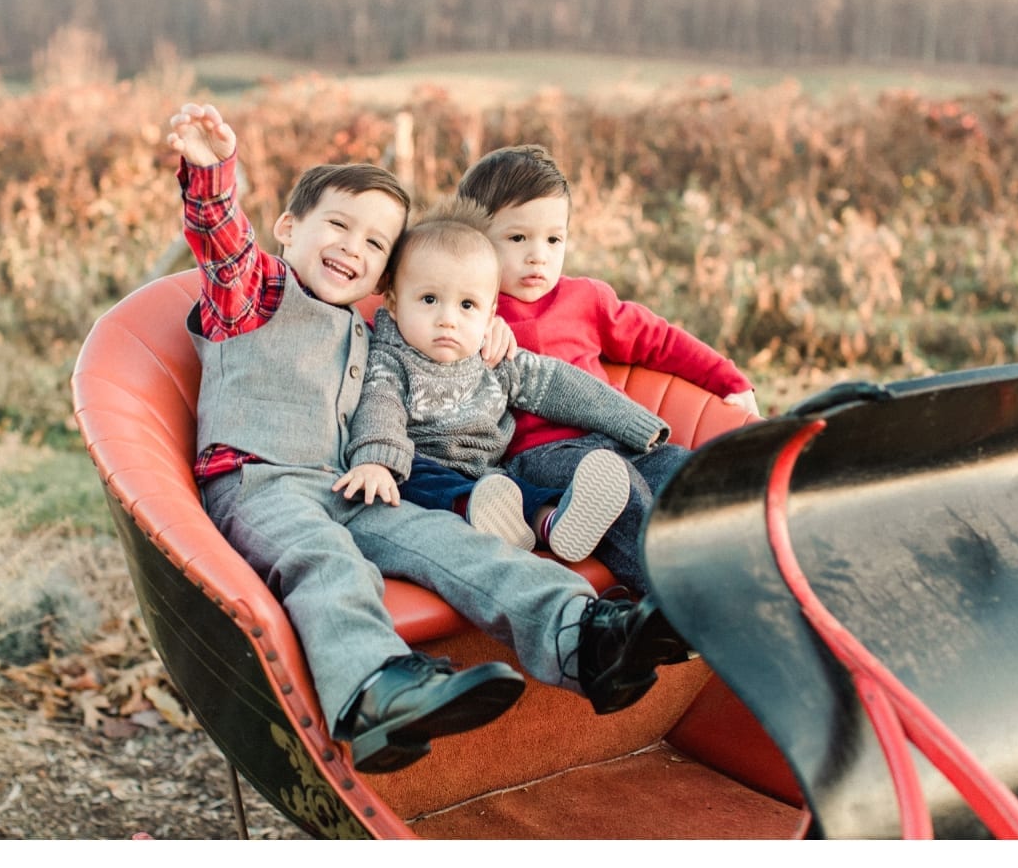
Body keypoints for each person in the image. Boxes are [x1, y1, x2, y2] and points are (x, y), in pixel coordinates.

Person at [166, 102, 693, 775]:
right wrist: (209, 174)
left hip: (351, 486)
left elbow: (446, 329)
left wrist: (484, 335)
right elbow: (222, 244)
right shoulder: (256, 294)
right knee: (325, 559)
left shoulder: (375, 328)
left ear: (384, 276)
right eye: (338, 225)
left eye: (375, 243)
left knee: (460, 547)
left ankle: (586, 641)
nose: (353, 247)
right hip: (261, 481)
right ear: (289, 230)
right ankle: (378, 693)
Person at [456, 144, 760, 594]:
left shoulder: (588, 299)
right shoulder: (469, 313)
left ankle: (757, 571)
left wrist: (729, 380)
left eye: (553, 239)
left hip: (623, 438)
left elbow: (661, 341)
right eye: (517, 239)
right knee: (622, 495)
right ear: (476, 242)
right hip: (542, 458)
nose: (538, 256)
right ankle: (678, 598)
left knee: (689, 474)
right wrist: (473, 316)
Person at [335, 196, 670, 565]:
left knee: (522, 492)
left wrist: (635, 423)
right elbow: (380, 406)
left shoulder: (492, 356)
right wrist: (377, 461)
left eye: (467, 306)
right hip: (421, 465)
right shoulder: (390, 358)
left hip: (493, 475)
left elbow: (559, 384)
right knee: (418, 477)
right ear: (394, 304)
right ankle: (476, 509)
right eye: (429, 299)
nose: (448, 319)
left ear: (490, 312)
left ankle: (552, 524)